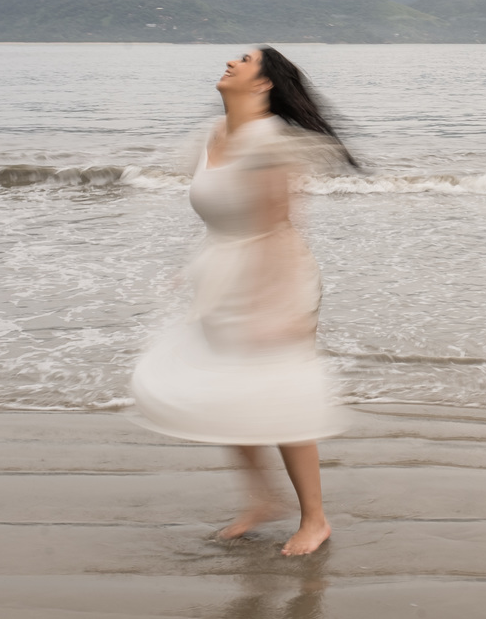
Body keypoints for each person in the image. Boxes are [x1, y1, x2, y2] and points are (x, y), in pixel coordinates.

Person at [131, 46, 354, 556]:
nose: (231, 62)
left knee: (281, 394)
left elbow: (279, 228)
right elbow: (223, 214)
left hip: (276, 279)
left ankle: (315, 519)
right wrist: (193, 267)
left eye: (245, 60)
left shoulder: (269, 142)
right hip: (222, 276)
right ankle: (261, 501)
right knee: (227, 386)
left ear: (262, 84)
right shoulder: (212, 133)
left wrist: (275, 307)